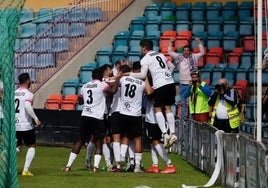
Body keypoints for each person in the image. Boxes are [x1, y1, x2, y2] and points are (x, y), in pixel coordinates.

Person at [63, 68, 121, 172]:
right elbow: (113, 91)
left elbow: (80, 101)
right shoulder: (101, 85)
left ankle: (68, 165)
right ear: (101, 76)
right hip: (98, 117)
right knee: (99, 142)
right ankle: (96, 167)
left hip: (85, 115)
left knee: (80, 140)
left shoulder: (85, 86)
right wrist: (118, 79)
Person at [128, 39, 177, 149]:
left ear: (144, 48)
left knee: (158, 108)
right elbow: (172, 67)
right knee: (168, 108)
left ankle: (165, 134)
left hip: (160, 84)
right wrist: (166, 76)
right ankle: (173, 133)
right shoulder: (161, 54)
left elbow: (142, 74)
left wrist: (129, 74)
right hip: (170, 82)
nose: (141, 50)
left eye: (141, 48)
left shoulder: (145, 59)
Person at [144, 73, 176, 174]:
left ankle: (169, 164)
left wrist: (145, 79)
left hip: (153, 119)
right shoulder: (160, 87)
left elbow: (149, 96)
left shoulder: (154, 88)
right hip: (154, 118)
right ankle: (155, 165)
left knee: (156, 142)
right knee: (153, 142)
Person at [168, 37, 205, 120]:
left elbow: (202, 52)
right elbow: (169, 52)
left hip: (192, 84)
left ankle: (192, 119)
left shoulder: (194, 57)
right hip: (182, 84)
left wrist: (199, 43)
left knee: (191, 102)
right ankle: (183, 119)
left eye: (188, 50)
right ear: (183, 51)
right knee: (183, 103)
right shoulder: (179, 57)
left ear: (190, 51)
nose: (186, 52)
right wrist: (170, 42)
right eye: (184, 50)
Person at [119, 62, 146, 173]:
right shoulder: (142, 83)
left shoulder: (124, 79)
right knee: (138, 139)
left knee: (125, 136)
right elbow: (149, 92)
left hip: (123, 112)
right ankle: (137, 166)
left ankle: (121, 159)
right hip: (135, 114)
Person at [15, 73, 41, 176]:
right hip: (25, 125)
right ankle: (25, 170)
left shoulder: (14, 93)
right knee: (32, 146)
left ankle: (6, 159)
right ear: (27, 81)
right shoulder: (28, 94)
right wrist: (36, 119)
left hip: (15, 124)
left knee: (18, 146)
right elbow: (27, 106)